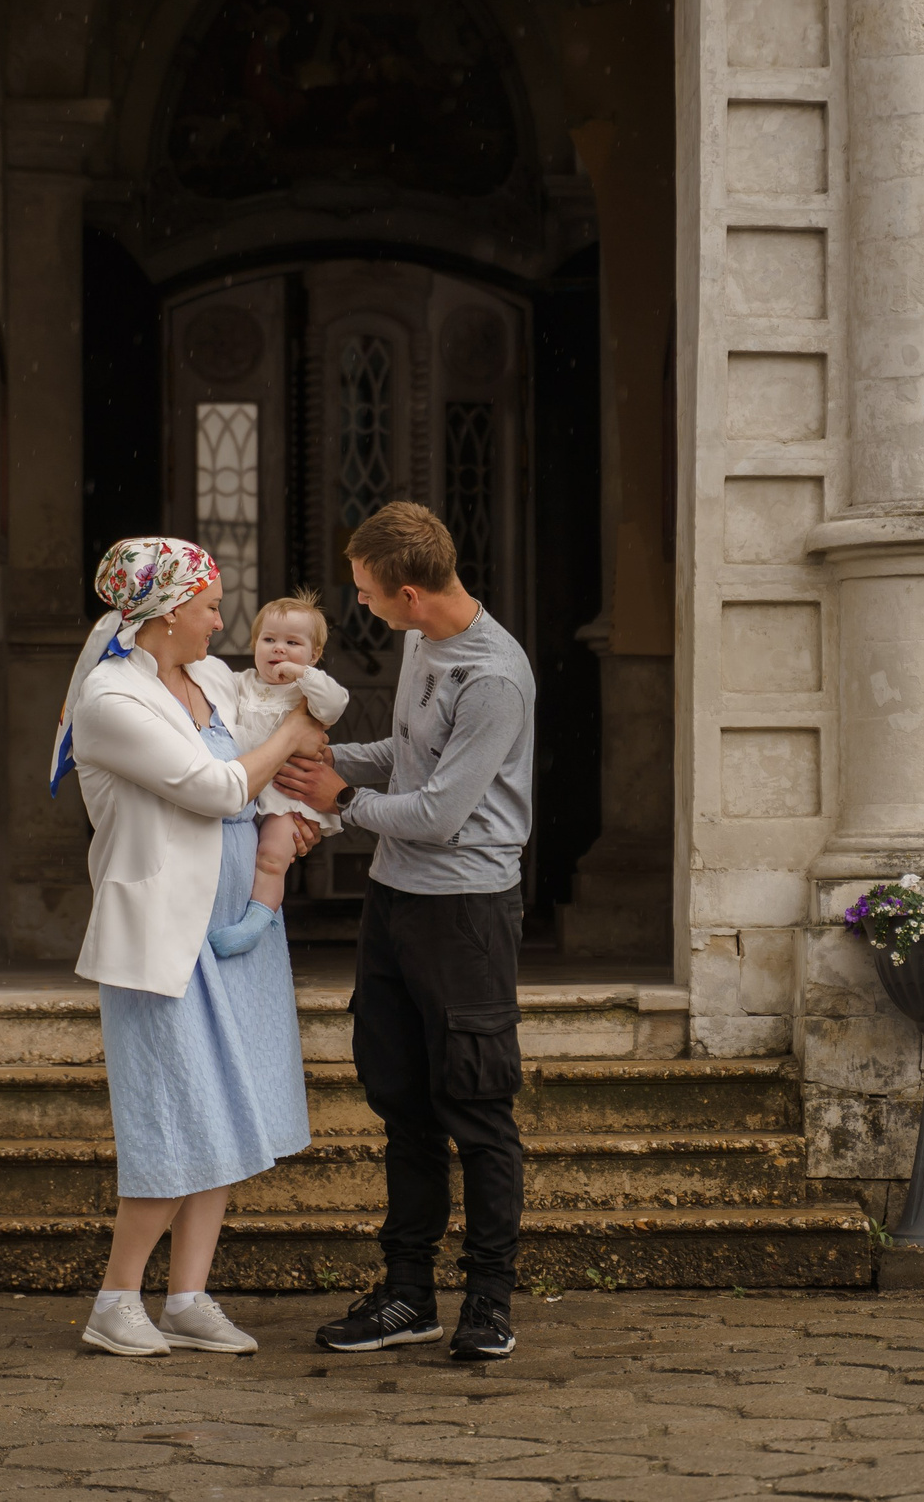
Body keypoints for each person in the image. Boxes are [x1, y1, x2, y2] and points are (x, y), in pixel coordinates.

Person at [275, 501, 537, 1363]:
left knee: (476, 1108)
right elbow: (407, 754)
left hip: (465, 914)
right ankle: (408, 1293)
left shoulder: (493, 675)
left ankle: (489, 1300)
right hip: (393, 904)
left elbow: (439, 811)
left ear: (412, 592)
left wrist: (337, 805)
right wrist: (322, 760)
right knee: (403, 1104)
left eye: (367, 594)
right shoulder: (423, 643)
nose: (363, 608)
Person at [55, 536, 327, 1357]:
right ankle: (114, 1298)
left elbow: (254, 768)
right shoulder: (111, 698)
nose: (221, 621)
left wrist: (287, 820)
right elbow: (215, 788)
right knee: (173, 1118)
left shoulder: (206, 677)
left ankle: (188, 1294)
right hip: (165, 939)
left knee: (228, 1115)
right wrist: (296, 732)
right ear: (170, 611)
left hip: (238, 932)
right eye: (210, 605)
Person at [215, 591, 349, 954]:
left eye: (293, 643)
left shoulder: (305, 692)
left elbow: (336, 703)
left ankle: (255, 924)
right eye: (269, 640)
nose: (278, 650)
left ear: (314, 654)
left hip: (287, 796)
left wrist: (303, 675)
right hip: (246, 789)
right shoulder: (242, 682)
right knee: (239, 860)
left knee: (272, 857)